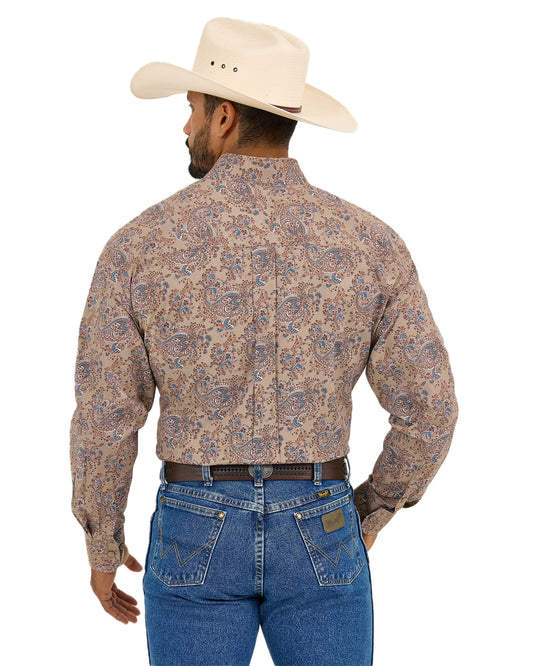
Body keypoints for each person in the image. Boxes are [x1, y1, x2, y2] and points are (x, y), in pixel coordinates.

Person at [70, 17, 458, 666]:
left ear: (223, 117)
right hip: (320, 519)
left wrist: (102, 544)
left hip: (193, 520)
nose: (185, 126)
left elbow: (105, 417)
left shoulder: (140, 246)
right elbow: (431, 409)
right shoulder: (369, 244)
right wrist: (368, 511)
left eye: (192, 108)